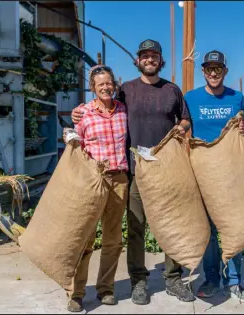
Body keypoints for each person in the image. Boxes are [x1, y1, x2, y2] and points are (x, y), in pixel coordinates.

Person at [71, 39, 195, 305]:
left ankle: (173, 279)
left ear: (160, 61)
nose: (149, 59)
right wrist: (78, 113)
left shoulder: (172, 90)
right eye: (145, 56)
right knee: (137, 227)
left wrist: (181, 129)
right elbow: (102, 107)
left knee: (171, 225)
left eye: (154, 55)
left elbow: (185, 119)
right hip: (136, 171)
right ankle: (139, 281)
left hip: (166, 170)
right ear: (138, 61)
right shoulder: (126, 90)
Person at [183, 50, 244, 303]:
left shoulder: (237, 98)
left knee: (234, 227)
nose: (213, 73)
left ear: (225, 71)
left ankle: (234, 282)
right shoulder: (190, 98)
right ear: (203, 71)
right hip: (203, 172)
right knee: (210, 230)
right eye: (209, 69)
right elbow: (183, 129)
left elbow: (243, 130)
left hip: (231, 173)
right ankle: (212, 278)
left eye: (218, 69)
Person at [66, 65, 129, 312]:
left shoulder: (124, 110)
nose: (105, 87)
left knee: (113, 239)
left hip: (119, 180)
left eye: (109, 83)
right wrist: (67, 135)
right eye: (100, 84)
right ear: (93, 87)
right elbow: (74, 141)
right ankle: (77, 292)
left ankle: (106, 289)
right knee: (85, 238)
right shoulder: (83, 113)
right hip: (93, 182)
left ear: (115, 84)